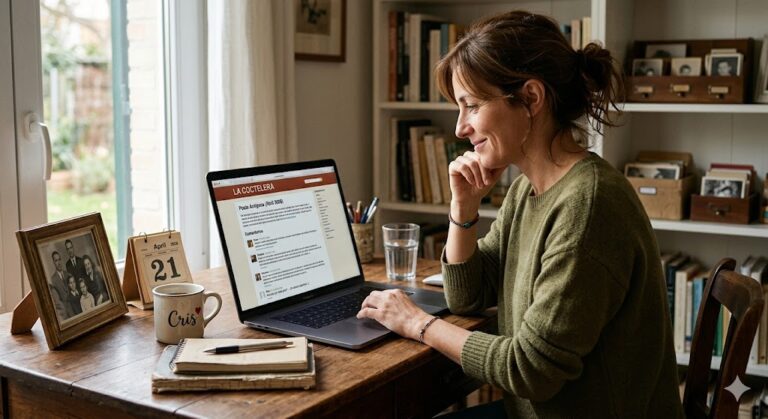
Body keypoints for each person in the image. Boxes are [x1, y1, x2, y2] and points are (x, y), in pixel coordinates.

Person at [357, 10, 682, 418]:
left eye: (472, 106)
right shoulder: (530, 187)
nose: (460, 128)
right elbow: (468, 294)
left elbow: (530, 370)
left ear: (530, 98)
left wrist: (416, 323)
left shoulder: (589, 205)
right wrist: (464, 208)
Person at [49, 251, 72, 321]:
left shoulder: (68, 274)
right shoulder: (53, 279)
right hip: (65, 313)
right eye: (56, 260)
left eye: (59, 259)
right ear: (53, 262)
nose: (58, 263)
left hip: (74, 308)